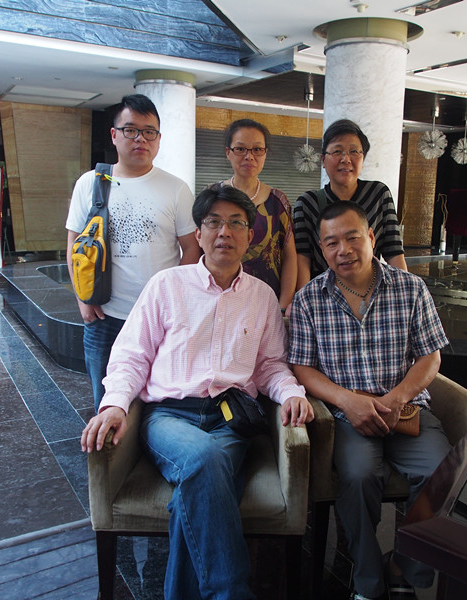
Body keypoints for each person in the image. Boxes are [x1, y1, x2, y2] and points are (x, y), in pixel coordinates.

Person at [81, 185, 314, 600]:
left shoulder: (261, 297)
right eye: (214, 223)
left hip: (230, 420)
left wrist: (292, 392)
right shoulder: (166, 285)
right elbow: (131, 355)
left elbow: (270, 366)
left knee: (196, 491)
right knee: (205, 459)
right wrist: (114, 404)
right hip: (169, 417)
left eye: (236, 223)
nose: (225, 232)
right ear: (199, 234)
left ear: (250, 236)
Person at [289, 201, 450, 600]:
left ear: (371, 237)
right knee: (359, 477)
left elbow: (430, 357)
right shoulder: (309, 300)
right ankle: (367, 580)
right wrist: (347, 401)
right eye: (331, 243)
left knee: (445, 475)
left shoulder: (411, 288)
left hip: (407, 410)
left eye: (352, 237)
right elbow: (302, 368)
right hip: (349, 418)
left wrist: (396, 398)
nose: (343, 250)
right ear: (322, 249)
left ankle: (402, 567)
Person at [66, 94, 201, 412]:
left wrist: (176, 301)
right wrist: (82, 298)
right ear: (114, 135)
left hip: (160, 318)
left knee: (157, 401)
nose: (141, 138)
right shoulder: (90, 183)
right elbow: (74, 244)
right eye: (131, 130)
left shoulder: (176, 189)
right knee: (107, 402)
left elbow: (192, 248)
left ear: (159, 139)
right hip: (105, 315)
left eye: (149, 132)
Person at [293, 119, 407, 290]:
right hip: (325, 293)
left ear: (363, 158)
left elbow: (394, 251)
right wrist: (305, 299)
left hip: (369, 290)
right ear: (323, 160)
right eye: (337, 151)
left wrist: (404, 292)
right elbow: (303, 259)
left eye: (354, 151)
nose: (346, 159)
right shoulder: (307, 203)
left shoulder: (378, 194)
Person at [208, 119, 297, 310]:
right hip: (218, 300)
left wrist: (283, 305)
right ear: (228, 152)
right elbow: (200, 248)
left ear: (265, 153)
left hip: (267, 304)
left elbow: (290, 257)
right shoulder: (212, 196)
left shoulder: (277, 201)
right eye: (240, 149)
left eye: (257, 149)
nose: (249, 156)